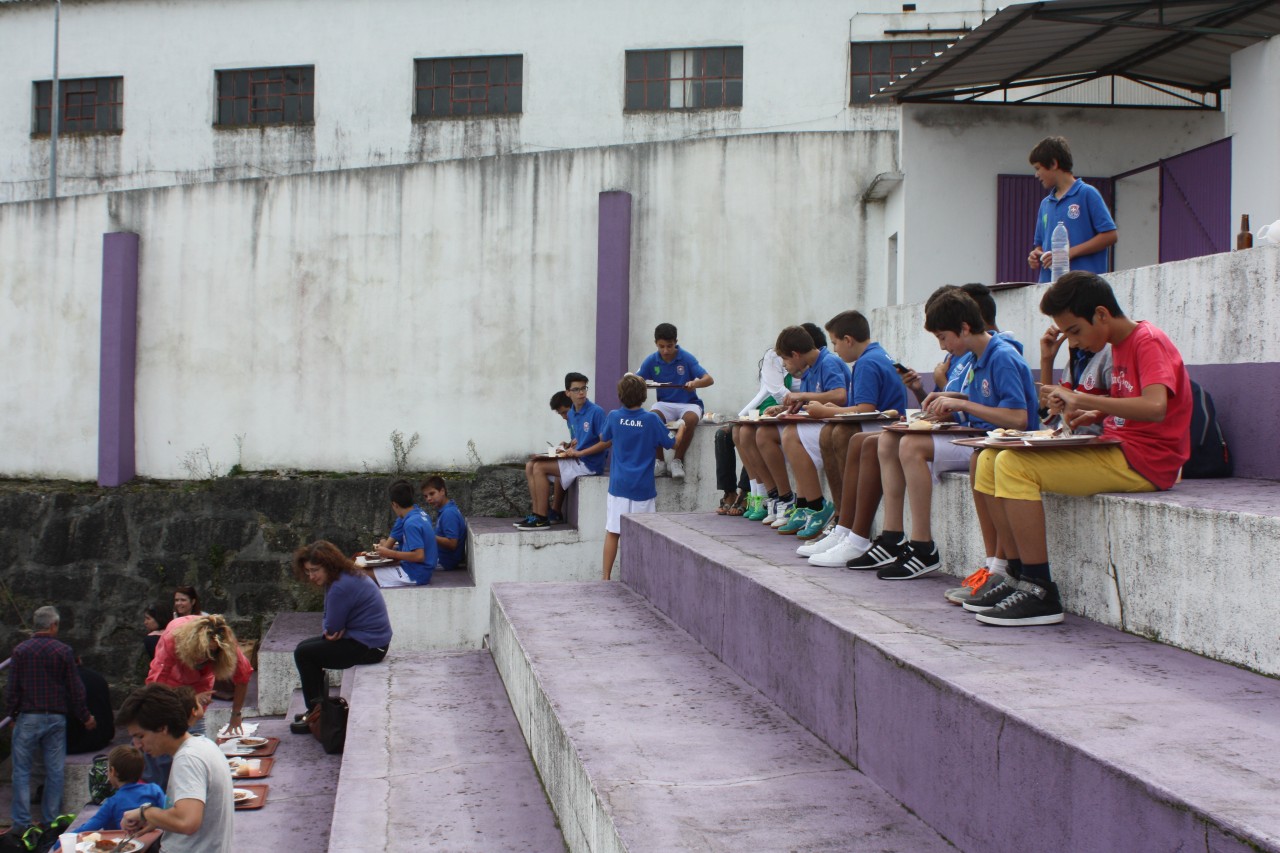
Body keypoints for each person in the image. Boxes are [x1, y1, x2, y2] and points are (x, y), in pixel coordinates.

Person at [969, 271, 1191, 626]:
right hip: (1118, 446)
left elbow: (1155, 408)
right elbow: (1128, 400)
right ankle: (1014, 575)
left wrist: (1081, 396)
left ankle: (1039, 589)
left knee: (1012, 464)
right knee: (989, 457)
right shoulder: (1119, 344)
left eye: (1074, 331)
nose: (1073, 341)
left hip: (1146, 460)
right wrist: (1095, 409)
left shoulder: (1147, 341)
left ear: (1101, 314)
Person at [874, 288, 1037, 581]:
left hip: (1005, 445)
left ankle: (926, 547)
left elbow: (1018, 418)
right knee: (895, 439)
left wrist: (961, 402)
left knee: (911, 446)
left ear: (964, 328)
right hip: (981, 442)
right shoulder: (977, 356)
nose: (942, 347)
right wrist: (948, 399)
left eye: (942, 337)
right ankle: (994, 566)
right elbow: (979, 403)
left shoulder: (1001, 356)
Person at [796, 310, 909, 545]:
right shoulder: (873, 356)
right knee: (829, 432)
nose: (835, 349)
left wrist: (827, 411)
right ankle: (841, 519)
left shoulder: (867, 362)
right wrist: (831, 409)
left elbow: (866, 408)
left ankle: (851, 524)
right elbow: (858, 406)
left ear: (848, 340)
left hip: (886, 426)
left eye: (836, 343)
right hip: (881, 423)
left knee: (840, 433)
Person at [5, 606, 96, 837]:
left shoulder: (20, 651)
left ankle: (21, 824)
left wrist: (12, 714)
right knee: (54, 771)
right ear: (53, 625)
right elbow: (75, 689)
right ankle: (49, 821)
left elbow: (12, 688)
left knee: (22, 772)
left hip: (28, 716)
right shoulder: (63, 651)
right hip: (55, 716)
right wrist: (85, 716)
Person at [756, 325, 850, 535]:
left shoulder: (828, 362)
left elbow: (840, 395)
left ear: (796, 354)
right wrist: (785, 407)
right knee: (764, 433)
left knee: (791, 434)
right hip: (822, 423)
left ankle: (816, 506)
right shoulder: (809, 370)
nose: (786, 366)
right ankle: (801, 503)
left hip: (839, 425)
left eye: (786, 361)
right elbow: (809, 400)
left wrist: (803, 397)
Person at [289, 541, 392, 732]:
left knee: (304, 654)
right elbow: (330, 625)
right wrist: (330, 630)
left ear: (328, 565)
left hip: (369, 647)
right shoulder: (343, 577)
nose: (311, 576)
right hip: (371, 642)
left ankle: (315, 712)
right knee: (305, 648)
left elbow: (331, 627)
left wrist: (331, 630)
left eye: (315, 570)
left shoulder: (340, 586)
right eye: (308, 571)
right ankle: (318, 709)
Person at [119, 684, 234, 853]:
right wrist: (160, 820)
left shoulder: (188, 759)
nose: (137, 745)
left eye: (140, 736)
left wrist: (146, 813)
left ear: (163, 728)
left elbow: (187, 822)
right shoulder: (203, 745)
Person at [600, 373, 679, 580]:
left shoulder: (614, 416)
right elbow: (672, 443)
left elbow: (603, 437)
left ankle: (606, 577)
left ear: (620, 395)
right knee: (643, 536)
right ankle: (641, 579)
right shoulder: (652, 419)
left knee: (613, 531)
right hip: (643, 489)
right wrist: (684, 428)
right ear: (644, 395)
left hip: (618, 487)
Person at [518, 373, 609, 530]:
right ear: (568, 392)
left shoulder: (596, 412)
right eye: (576, 389)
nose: (581, 392)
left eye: (583, 388)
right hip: (577, 459)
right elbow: (581, 440)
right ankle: (537, 514)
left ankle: (542, 517)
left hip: (589, 463)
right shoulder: (572, 413)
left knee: (539, 467)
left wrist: (579, 453)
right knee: (531, 465)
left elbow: (606, 442)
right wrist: (568, 447)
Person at [1027, 136, 1117, 283]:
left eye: (1038, 168)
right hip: (1052, 287)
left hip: (1084, 285)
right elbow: (1039, 245)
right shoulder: (1045, 204)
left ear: (1054, 163)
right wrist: (1036, 255)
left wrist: (1069, 253)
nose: (1036, 174)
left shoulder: (1087, 193)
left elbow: (1110, 235)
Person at [637, 323, 713, 479]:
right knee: (652, 418)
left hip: (689, 403)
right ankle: (660, 462)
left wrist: (695, 383)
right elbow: (637, 379)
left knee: (690, 420)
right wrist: (637, 381)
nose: (665, 351)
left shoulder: (686, 357)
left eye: (669, 346)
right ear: (655, 344)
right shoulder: (651, 360)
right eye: (661, 346)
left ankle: (677, 460)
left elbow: (709, 379)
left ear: (676, 342)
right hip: (664, 403)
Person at [76, 745, 167, 832]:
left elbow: (86, 829)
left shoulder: (112, 802)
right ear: (142, 769)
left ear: (113, 771)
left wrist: (62, 841)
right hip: (156, 845)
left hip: (127, 846)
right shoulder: (155, 790)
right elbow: (169, 814)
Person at [374, 479, 437, 585]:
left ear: (394, 504)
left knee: (361, 574)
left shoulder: (410, 523)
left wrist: (390, 553)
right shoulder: (421, 515)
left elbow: (419, 556)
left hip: (415, 574)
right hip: (421, 571)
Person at [421, 477, 468, 570]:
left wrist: (428, 535)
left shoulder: (449, 513)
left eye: (432, 494)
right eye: (425, 496)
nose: (428, 499)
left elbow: (452, 543)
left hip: (444, 562)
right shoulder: (446, 510)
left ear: (442, 491)